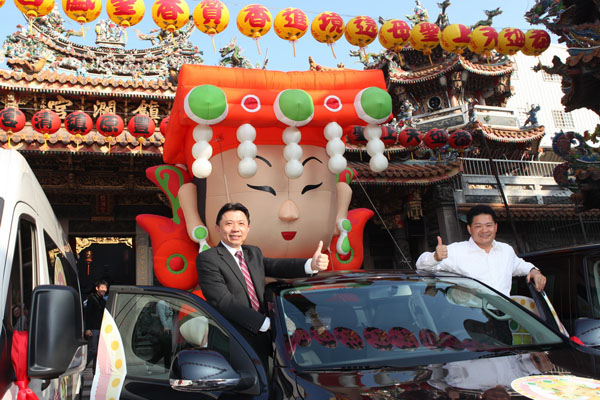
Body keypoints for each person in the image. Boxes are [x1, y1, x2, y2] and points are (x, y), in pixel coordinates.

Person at [196, 202, 329, 370]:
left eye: (241, 223)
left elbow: (276, 266)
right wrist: (267, 323)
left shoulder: (253, 253)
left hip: (262, 338)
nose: (236, 229)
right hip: (232, 340)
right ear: (217, 228)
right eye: (229, 223)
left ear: (248, 228)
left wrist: (311, 265)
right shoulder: (208, 258)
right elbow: (223, 301)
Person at [416, 205, 546, 297]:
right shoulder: (456, 251)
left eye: (489, 225)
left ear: (496, 227)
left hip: (503, 315)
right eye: (478, 226)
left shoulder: (506, 250)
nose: (484, 230)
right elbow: (421, 267)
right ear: (469, 229)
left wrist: (534, 272)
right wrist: (435, 257)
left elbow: (520, 265)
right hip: (471, 317)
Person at [84, 280, 107, 371]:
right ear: (97, 288)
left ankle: (95, 371)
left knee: (98, 352)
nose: (104, 290)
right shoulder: (92, 299)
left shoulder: (103, 300)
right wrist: (88, 328)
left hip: (101, 329)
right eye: (102, 287)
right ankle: (82, 367)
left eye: (105, 288)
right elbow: (88, 314)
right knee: (92, 350)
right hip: (93, 329)